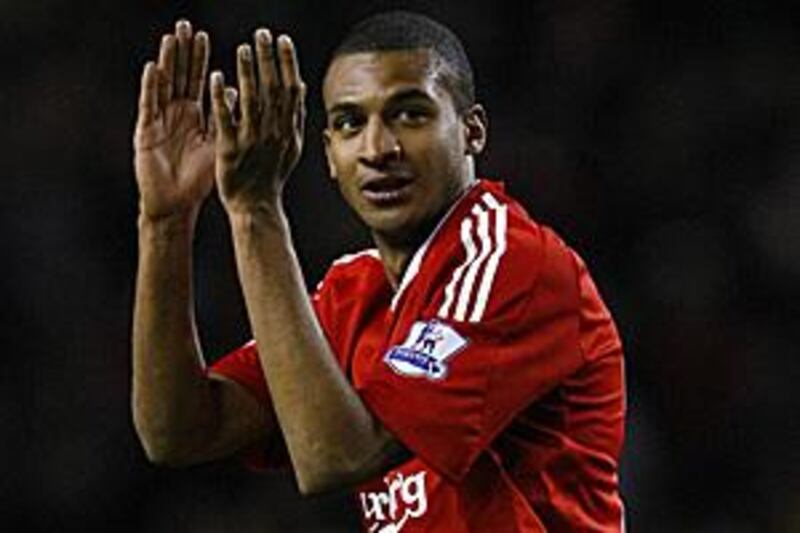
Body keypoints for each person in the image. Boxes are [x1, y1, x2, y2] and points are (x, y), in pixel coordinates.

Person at [132, 11, 626, 532]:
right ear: (326, 154)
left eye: (410, 115)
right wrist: (165, 221)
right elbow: (179, 432)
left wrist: (256, 212)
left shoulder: (510, 262)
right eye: (349, 123)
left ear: (472, 131)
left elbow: (336, 458)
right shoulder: (353, 291)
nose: (377, 149)